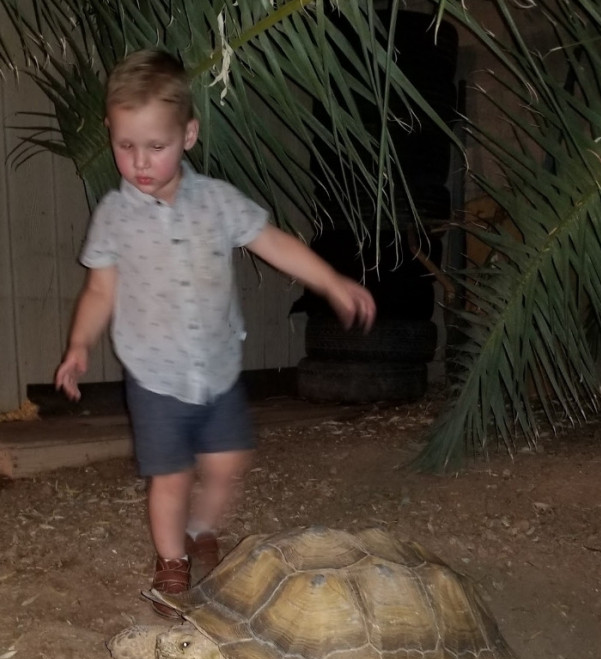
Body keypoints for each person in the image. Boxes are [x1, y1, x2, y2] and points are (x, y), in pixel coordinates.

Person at [55, 49, 375, 616]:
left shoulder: (218, 202)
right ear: (110, 132)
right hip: (155, 376)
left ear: (189, 134)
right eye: (126, 146)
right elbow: (101, 290)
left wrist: (329, 280)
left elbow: (272, 242)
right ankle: (172, 561)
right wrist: (79, 345)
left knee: (228, 465)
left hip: (218, 368)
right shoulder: (114, 216)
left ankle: (201, 528)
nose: (140, 162)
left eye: (156, 146)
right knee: (171, 476)